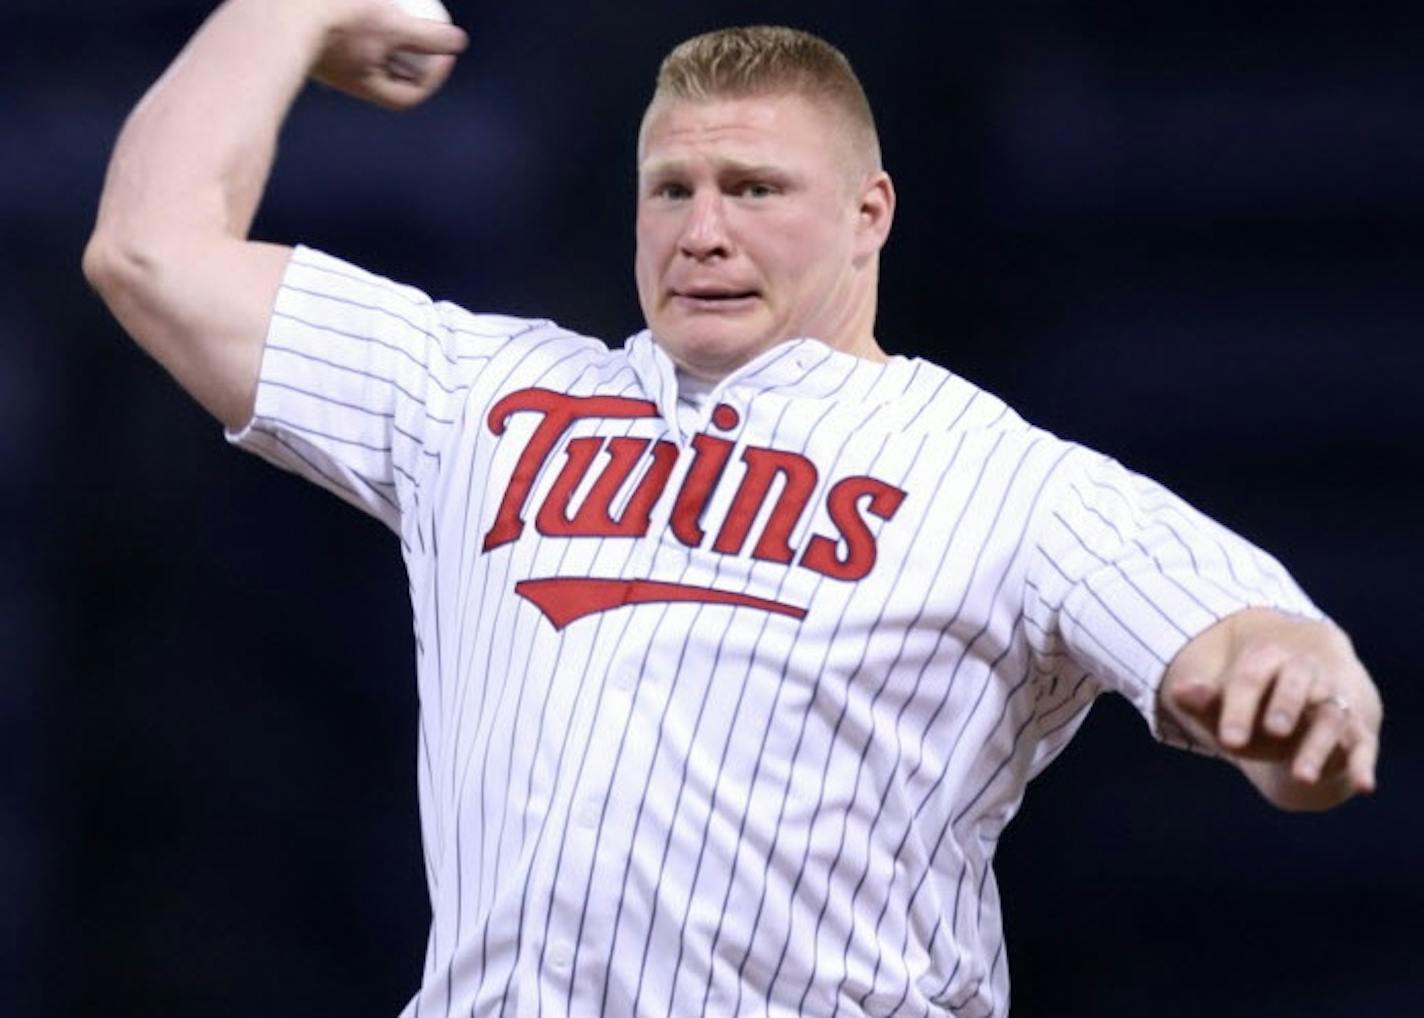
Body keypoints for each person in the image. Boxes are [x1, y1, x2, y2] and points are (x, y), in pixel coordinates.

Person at [83, 2, 1383, 1015]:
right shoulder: (481, 396)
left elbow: (1256, 643)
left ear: (870, 213)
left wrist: (1299, 690)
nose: (704, 229)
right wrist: (284, 10)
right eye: (673, 189)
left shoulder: (1008, 477)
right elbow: (150, 251)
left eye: (754, 189)